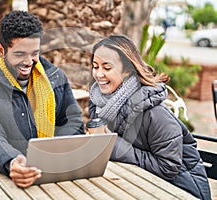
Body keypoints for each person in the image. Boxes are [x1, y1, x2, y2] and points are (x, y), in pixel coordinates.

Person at [0, 10, 85, 188]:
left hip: (56, 180)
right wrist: (12, 162)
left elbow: (72, 122)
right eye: (20, 54)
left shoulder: (56, 78)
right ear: (1, 50)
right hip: (10, 182)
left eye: (34, 53)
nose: (29, 62)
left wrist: (59, 157)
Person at [88, 35, 211, 199]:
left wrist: (112, 145)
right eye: (95, 66)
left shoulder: (156, 113)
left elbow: (168, 167)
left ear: (127, 70)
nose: (99, 74)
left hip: (182, 191)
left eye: (107, 68)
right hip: (133, 186)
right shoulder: (100, 102)